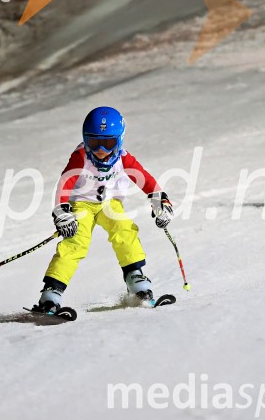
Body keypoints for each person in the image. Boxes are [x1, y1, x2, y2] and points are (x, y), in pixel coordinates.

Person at [33, 106, 173, 313]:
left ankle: (135, 278)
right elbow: (66, 182)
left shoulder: (124, 158)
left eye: (108, 143)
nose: (101, 150)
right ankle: (51, 292)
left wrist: (160, 200)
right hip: (82, 204)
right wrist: (62, 211)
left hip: (110, 203)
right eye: (94, 142)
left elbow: (144, 178)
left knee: (124, 229)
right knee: (76, 242)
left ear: (119, 140)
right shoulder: (81, 156)